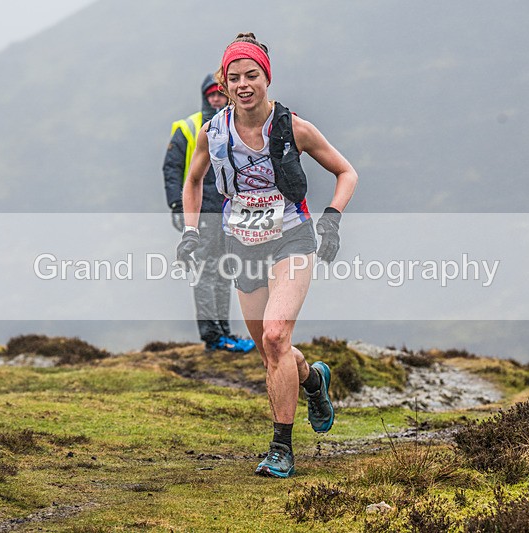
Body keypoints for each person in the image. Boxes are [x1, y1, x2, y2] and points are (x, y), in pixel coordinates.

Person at [177, 33, 358, 477]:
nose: (243, 84)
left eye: (251, 75)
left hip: (291, 239)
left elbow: (346, 171)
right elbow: (193, 181)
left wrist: (331, 219)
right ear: (225, 82)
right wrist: (189, 232)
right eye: (234, 77)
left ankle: (281, 448)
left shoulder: (293, 127)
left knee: (276, 335)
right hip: (242, 245)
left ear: (265, 78)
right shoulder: (212, 133)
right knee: (271, 351)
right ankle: (313, 381)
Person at [163, 74, 256, 354]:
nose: (215, 98)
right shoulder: (190, 126)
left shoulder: (234, 124)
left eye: (219, 93)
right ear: (205, 96)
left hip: (228, 211)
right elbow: (172, 168)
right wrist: (177, 206)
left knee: (224, 271)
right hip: (200, 212)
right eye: (211, 94)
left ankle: (224, 333)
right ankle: (212, 335)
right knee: (205, 271)